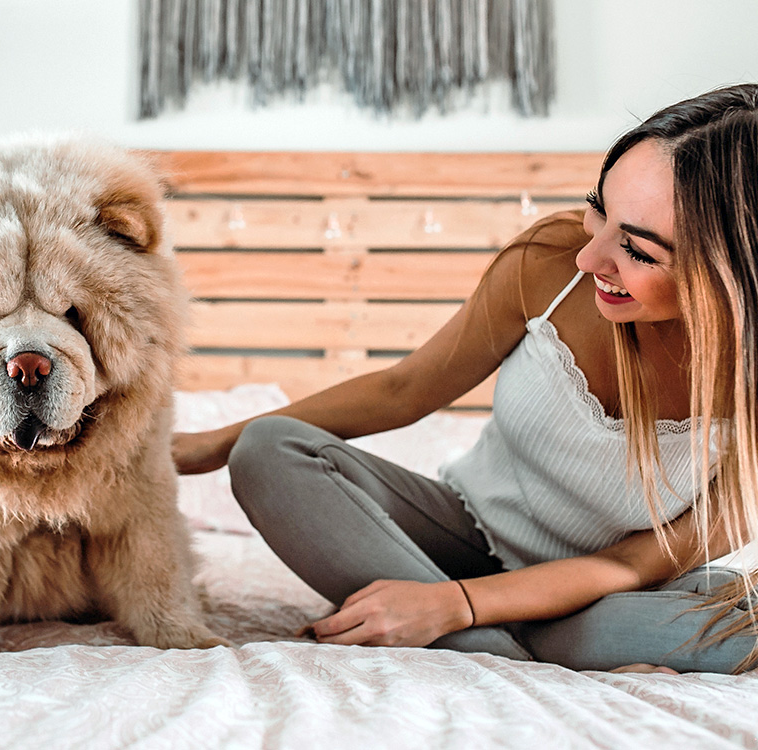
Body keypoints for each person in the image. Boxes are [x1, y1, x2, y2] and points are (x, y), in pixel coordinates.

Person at [173, 84, 758, 675]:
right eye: (599, 208)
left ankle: (469, 639)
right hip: (457, 537)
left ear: (730, 273)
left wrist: (455, 604)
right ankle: (512, 649)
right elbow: (404, 391)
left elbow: (630, 567)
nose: (590, 257)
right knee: (267, 450)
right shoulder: (551, 263)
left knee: (743, 631)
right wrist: (207, 444)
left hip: (604, 592)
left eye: (636, 250)